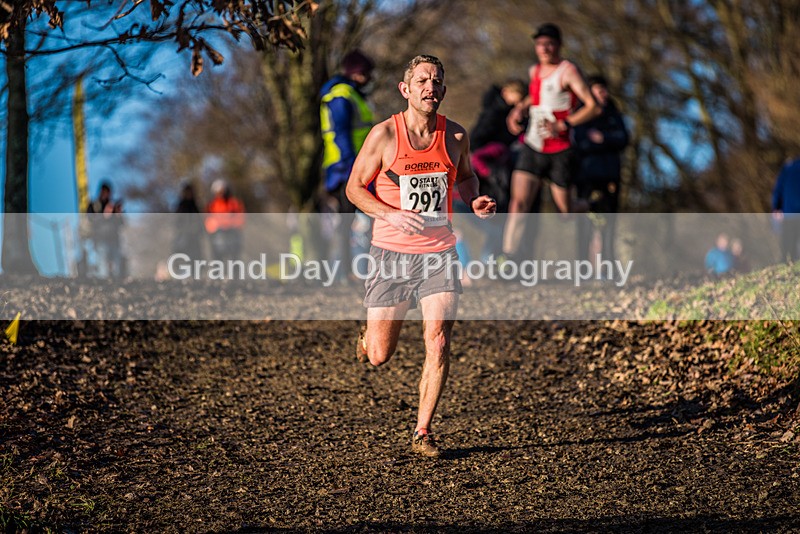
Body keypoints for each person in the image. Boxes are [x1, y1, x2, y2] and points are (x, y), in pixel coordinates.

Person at [345, 55, 496, 458]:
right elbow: (355, 189)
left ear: (443, 90)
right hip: (390, 254)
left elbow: (464, 176)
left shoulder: (457, 137)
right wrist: (391, 213)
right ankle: (366, 338)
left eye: (437, 80)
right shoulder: (384, 136)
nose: (431, 86)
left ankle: (423, 431)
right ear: (406, 89)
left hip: (439, 253)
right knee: (379, 356)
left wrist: (474, 199)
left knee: (439, 339)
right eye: (423, 80)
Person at [502, 23, 600, 261]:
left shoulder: (568, 71)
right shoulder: (534, 71)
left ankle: (588, 205)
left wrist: (564, 124)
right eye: (539, 44)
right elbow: (534, 98)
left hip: (560, 150)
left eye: (549, 44)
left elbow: (593, 107)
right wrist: (518, 110)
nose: (544, 48)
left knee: (565, 213)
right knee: (519, 204)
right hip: (533, 146)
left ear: (558, 45)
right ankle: (506, 258)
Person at [320, 49, 376, 279]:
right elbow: (342, 134)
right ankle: (347, 271)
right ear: (358, 73)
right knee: (349, 221)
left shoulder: (349, 93)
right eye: (367, 73)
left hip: (351, 166)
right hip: (346, 168)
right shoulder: (342, 95)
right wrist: (355, 167)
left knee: (352, 221)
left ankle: (354, 270)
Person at [573, 74, 629, 266]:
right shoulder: (579, 113)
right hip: (586, 176)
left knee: (610, 221)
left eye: (605, 89)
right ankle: (583, 264)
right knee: (584, 222)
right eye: (599, 89)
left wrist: (603, 138)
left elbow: (624, 139)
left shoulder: (613, 112)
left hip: (611, 175)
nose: (604, 93)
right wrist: (604, 142)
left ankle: (608, 262)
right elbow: (580, 142)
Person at [86, 181, 125, 279]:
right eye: (105, 192)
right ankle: (103, 288)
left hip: (114, 239)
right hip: (100, 239)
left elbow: (121, 223)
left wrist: (118, 214)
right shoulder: (94, 205)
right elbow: (91, 221)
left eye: (108, 192)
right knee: (102, 266)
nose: (107, 194)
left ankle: (117, 285)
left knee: (117, 266)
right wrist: (105, 214)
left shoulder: (112, 205)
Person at [205, 179, 245, 261]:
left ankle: (235, 272)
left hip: (232, 232)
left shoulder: (233, 203)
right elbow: (208, 219)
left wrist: (236, 225)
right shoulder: (212, 205)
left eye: (222, 190)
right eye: (218, 191)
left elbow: (240, 216)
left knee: (234, 256)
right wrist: (212, 228)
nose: (220, 193)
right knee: (217, 255)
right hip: (218, 233)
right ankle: (218, 272)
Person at [772, 157, 800, 262]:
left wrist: (776, 207)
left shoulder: (788, 168)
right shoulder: (788, 168)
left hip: (789, 212)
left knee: (788, 246)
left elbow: (778, 189)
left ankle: (787, 262)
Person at [173, 182, 204, 260]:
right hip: (184, 236)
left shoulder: (195, 205)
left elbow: (200, 220)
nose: (189, 194)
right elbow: (177, 221)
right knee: (182, 255)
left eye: (191, 192)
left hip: (195, 236)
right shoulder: (181, 205)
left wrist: (199, 229)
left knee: (195, 257)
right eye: (187, 192)